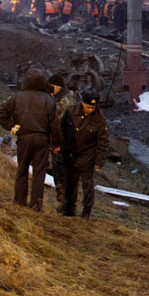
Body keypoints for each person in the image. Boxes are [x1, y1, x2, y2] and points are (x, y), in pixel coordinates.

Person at [0, 68, 62, 212]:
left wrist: (12, 127)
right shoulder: (49, 100)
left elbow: (0, 112)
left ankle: (19, 201)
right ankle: (36, 204)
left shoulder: (17, 97)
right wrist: (56, 143)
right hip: (42, 140)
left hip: (24, 138)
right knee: (39, 173)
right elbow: (55, 126)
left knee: (22, 170)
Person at [60, 89, 109, 220]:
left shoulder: (100, 119)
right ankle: (68, 210)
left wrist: (100, 161)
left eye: (93, 107)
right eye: (88, 107)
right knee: (70, 183)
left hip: (88, 156)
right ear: (82, 103)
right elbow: (62, 130)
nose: (90, 110)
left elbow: (103, 141)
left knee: (87, 185)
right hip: (70, 154)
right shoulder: (70, 111)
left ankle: (86, 211)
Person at [47, 74, 78, 212]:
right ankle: (63, 204)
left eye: (51, 86)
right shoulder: (59, 98)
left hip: (64, 144)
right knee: (58, 174)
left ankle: (65, 206)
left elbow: (62, 124)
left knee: (62, 175)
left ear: (59, 86)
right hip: (59, 142)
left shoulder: (66, 100)